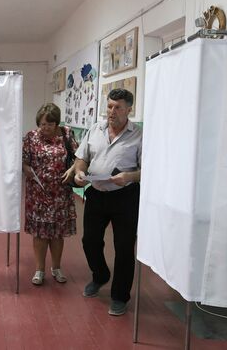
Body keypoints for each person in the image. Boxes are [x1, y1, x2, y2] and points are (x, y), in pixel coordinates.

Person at [72, 88, 142, 316]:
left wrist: (129, 177)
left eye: (117, 107)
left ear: (129, 109)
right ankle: (100, 275)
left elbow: (148, 170)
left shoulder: (139, 136)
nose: (111, 111)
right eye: (109, 106)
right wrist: (79, 174)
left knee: (123, 248)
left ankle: (120, 296)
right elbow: (82, 158)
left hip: (125, 197)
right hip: (96, 193)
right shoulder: (95, 129)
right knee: (89, 241)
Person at [22, 103, 78, 285]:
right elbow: (22, 161)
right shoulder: (31, 137)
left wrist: (72, 170)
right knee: (40, 233)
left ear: (56, 123)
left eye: (49, 124)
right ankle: (39, 270)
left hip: (61, 193)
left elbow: (79, 157)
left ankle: (56, 267)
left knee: (57, 233)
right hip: (38, 193)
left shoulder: (67, 134)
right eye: (42, 124)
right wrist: (26, 169)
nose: (44, 128)